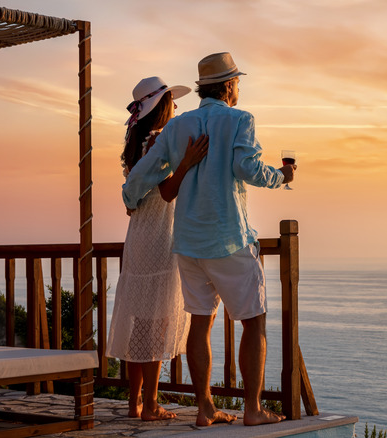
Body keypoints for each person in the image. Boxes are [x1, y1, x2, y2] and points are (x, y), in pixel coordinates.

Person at [121, 52, 296, 426]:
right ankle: (252, 410)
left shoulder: (177, 126)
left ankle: (204, 408)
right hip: (228, 237)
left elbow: (141, 175)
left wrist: (130, 199)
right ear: (230, 86)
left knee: (200, 323)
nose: (239, 90)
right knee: (254, 321)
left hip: (187, 242)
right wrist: (283, 176)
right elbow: (246, 168)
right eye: (238, 83)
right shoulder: (239, 120)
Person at [106, 76, 209, 421]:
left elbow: (134, 196)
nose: (176, 108)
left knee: (139, 319)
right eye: (172, 102)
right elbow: (167, 192)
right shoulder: (158, 143)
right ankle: (150, 404)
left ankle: (135, 402)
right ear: (162, 107)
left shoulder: (137, 142)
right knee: (157, 321)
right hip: (160, 235)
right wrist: (187, 163)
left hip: (138, 234)